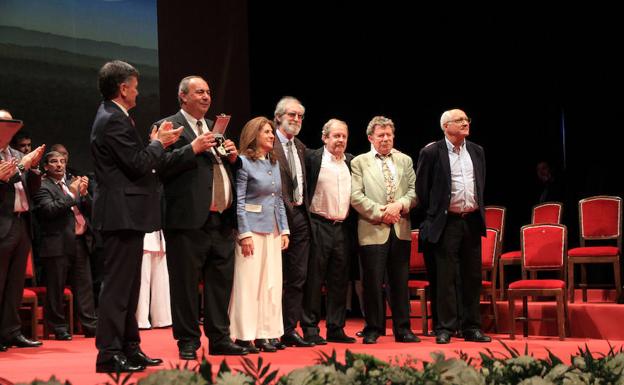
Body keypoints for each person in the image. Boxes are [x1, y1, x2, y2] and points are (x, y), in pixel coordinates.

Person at [90, 60, 181, 372]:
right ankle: (108, 354)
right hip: (119, 214)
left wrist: (155, 143)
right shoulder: (112, 119)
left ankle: (130, 347)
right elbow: (138, 164)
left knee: (129, 287)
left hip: (126, 213)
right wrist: (159, 143)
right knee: (117, 287)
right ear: (123, 88)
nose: (138, 92)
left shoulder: (116, 116)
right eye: (135, 86)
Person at [157, 75, 247, 358]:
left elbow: (224, 171)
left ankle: (220, 338)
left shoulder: (213, 127)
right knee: (184, 285)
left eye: (208, 92)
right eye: (199, 92)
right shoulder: (168, 126)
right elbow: (159, 165)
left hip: (221, 220)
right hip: (186, 221)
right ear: (183, 96)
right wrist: (192, 148)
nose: (207, 97)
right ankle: (188, 341)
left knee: (220, 284)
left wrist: (234, 158)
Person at [415, 108, 491, 344]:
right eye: (459, 120)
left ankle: (471, 327)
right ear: (445, 126)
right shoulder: (431, 152)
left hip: (471, 221)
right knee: (445, 278)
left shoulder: (477, 151)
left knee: (472, 276)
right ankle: (445, 328)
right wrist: (436, 213)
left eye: (466, 119)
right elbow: (422, 189)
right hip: (445, 223)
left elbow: (480, 184)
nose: (465, 123)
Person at [350, 116, 419, 344]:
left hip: (400, 227)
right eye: (381, 135)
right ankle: (373, 328)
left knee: (399, 281)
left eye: (389, 135)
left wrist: (399, 206)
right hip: (372, 228)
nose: (386, 139)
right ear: (371, 138)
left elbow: (414, 191)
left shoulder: (405, 160)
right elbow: (356, 196)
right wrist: (382, 213)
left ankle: (403, 329)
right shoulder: (359, 162)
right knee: (372, 281)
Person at [229, 116, 290, 353]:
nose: (272, 136)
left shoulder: (273, 163)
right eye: (267, 132)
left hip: (272, 230)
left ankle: (265, 334)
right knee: (249, 284)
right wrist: (243, 234)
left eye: (271, 132)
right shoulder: (244, 162)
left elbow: (279, 201)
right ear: (254, 134)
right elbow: (240, 201)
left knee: (270, 284)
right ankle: (245, 335)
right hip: (251, 231)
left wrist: (284, 230)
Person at [301, 119, 356, 345]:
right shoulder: (312, 159)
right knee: (314, 280)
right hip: (318, 224)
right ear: (325, 138)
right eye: (336, 136)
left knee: (339, 281)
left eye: (343, 136)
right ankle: (310, 329)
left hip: (342, 227)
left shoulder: (351, 162)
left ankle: (336, 328)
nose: (340, 140)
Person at [32, 151, 98, 340]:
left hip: (80, 240)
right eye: (54, 162)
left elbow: (91, 211)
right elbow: (49, 210)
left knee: (84, 287)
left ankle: (89, 325)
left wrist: (84, 195)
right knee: (56, 287)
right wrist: (74, 193)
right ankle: (58, 326)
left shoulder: (72, 184)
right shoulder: (41, 186)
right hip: (56, 243)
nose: (59, 165)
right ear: (46, 166)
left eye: (62, 161)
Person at [0, 108, 46, 352]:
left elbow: (33, 187)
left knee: (16, 283)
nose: (8, 128)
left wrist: (35, 168)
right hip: (2, 223)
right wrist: (21, 167)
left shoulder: (18, 154)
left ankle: (12, 331)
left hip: (22, 223)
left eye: (10, 124)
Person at [271, 96, 313, 348]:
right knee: (274, 277)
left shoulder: (301, 147)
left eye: (300, 116)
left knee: (298, 277)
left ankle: (289, 329)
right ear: (278, 117)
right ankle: (269, 330)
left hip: (300, 217)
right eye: (291, 115)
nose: (296, 119)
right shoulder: (267, 143)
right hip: (275, 218)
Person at [136, 230, 171, 330]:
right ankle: (141, 320)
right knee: (143, 281)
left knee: (162, 282)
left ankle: (162, 318)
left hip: (160, 237)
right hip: (144, 237)